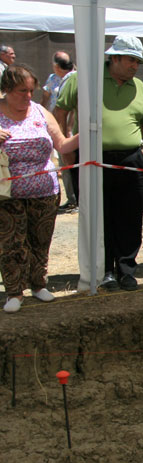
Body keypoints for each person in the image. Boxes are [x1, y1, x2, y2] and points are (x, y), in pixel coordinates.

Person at [55, 35, 143, 292]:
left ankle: (126, 270)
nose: (135, 66)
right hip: (92, 158)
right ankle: (105, 271)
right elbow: (60, 111)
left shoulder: (140, 87)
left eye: (138, 61)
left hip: (132, 160)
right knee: (100, 218)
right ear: (115, 58)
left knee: (130, 217)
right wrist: (65, 146)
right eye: (131, 60)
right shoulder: (84, 79)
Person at [0, 64, 79, 313]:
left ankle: (38, 284)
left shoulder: (41, 112)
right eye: (21, 91)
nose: (28, 96)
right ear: (6, 90)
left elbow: (63, 145)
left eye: (31, 91)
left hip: (45, 191)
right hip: (7, 193)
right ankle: (14, 292)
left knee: (40, 241)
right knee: (11, 243)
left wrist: (89, 132)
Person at [42, 51, 77, 211]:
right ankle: (71, 197)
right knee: (62, 161)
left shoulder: (73, 78)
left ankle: (76, 197)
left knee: (70, 160)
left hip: (66, 127)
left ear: (56, 65)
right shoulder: (53, 79)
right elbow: (45, 99)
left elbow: (69, 110)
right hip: (53, 124)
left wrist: (67, 130)